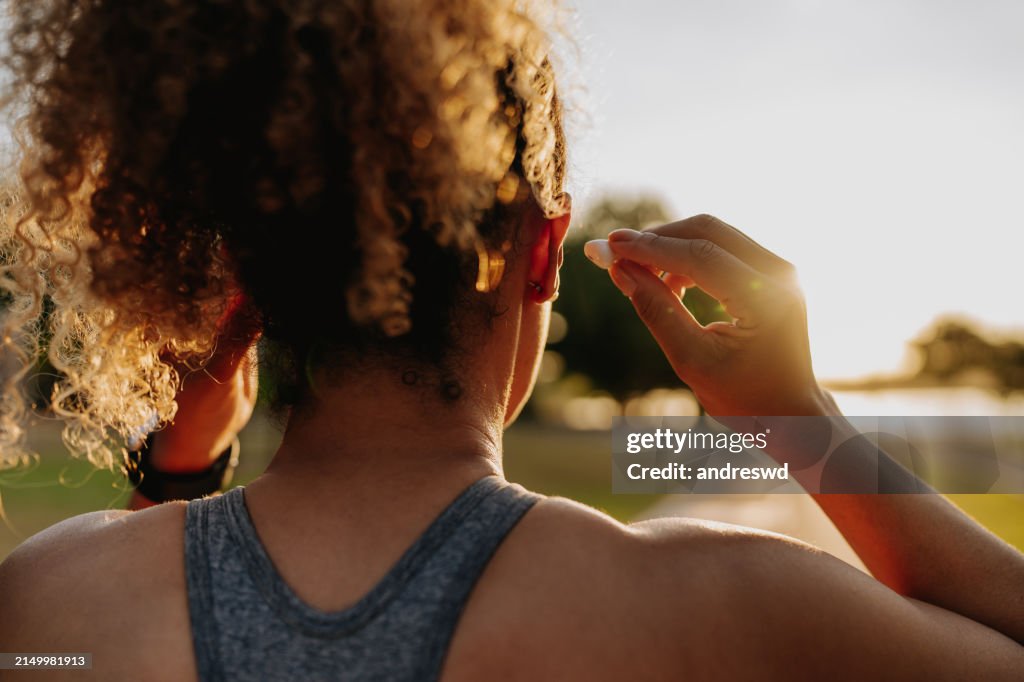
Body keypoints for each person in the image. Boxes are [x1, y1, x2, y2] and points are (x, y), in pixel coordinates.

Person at [0, 1, 1021, 680]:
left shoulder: (49, 604)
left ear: (238, 281)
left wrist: (175, 479)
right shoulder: (723, 608)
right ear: (539, 250)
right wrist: (805, 421)